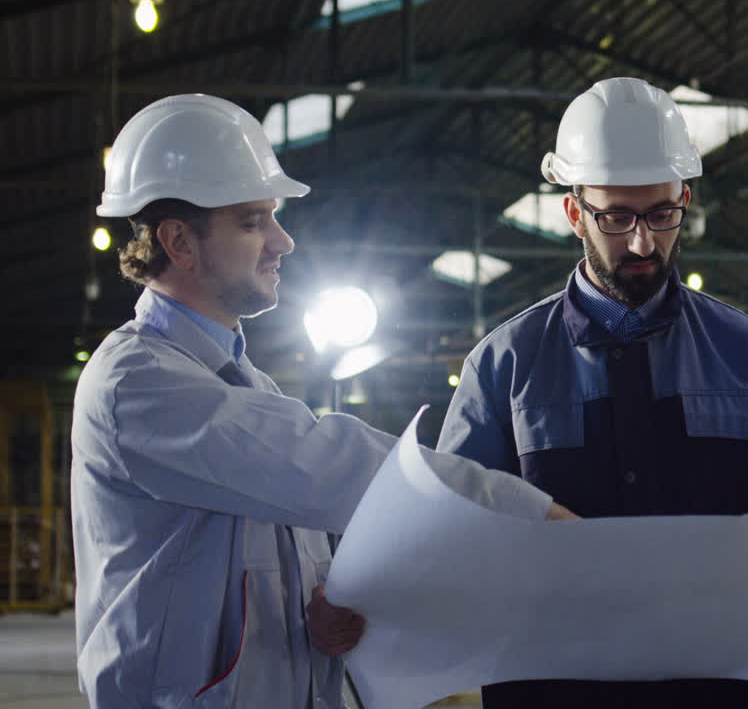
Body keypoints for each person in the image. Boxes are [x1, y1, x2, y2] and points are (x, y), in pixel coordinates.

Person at [437, 77, 748, 709]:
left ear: (685, 200)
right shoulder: (504, 363)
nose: (643, 242)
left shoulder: (747, 352)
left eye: (661, 214)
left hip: (721, 689)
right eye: (617, 217)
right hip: (554, 691)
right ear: (574, 213)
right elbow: (448, 528)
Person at [71, 94, 572, 709]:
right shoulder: (136, 383)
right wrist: (532, 518)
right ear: (179, 240)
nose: (282, 241)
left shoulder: (250, 387)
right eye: (252, 222)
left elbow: (274, 554)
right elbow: (334, 465)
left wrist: (323, 608)